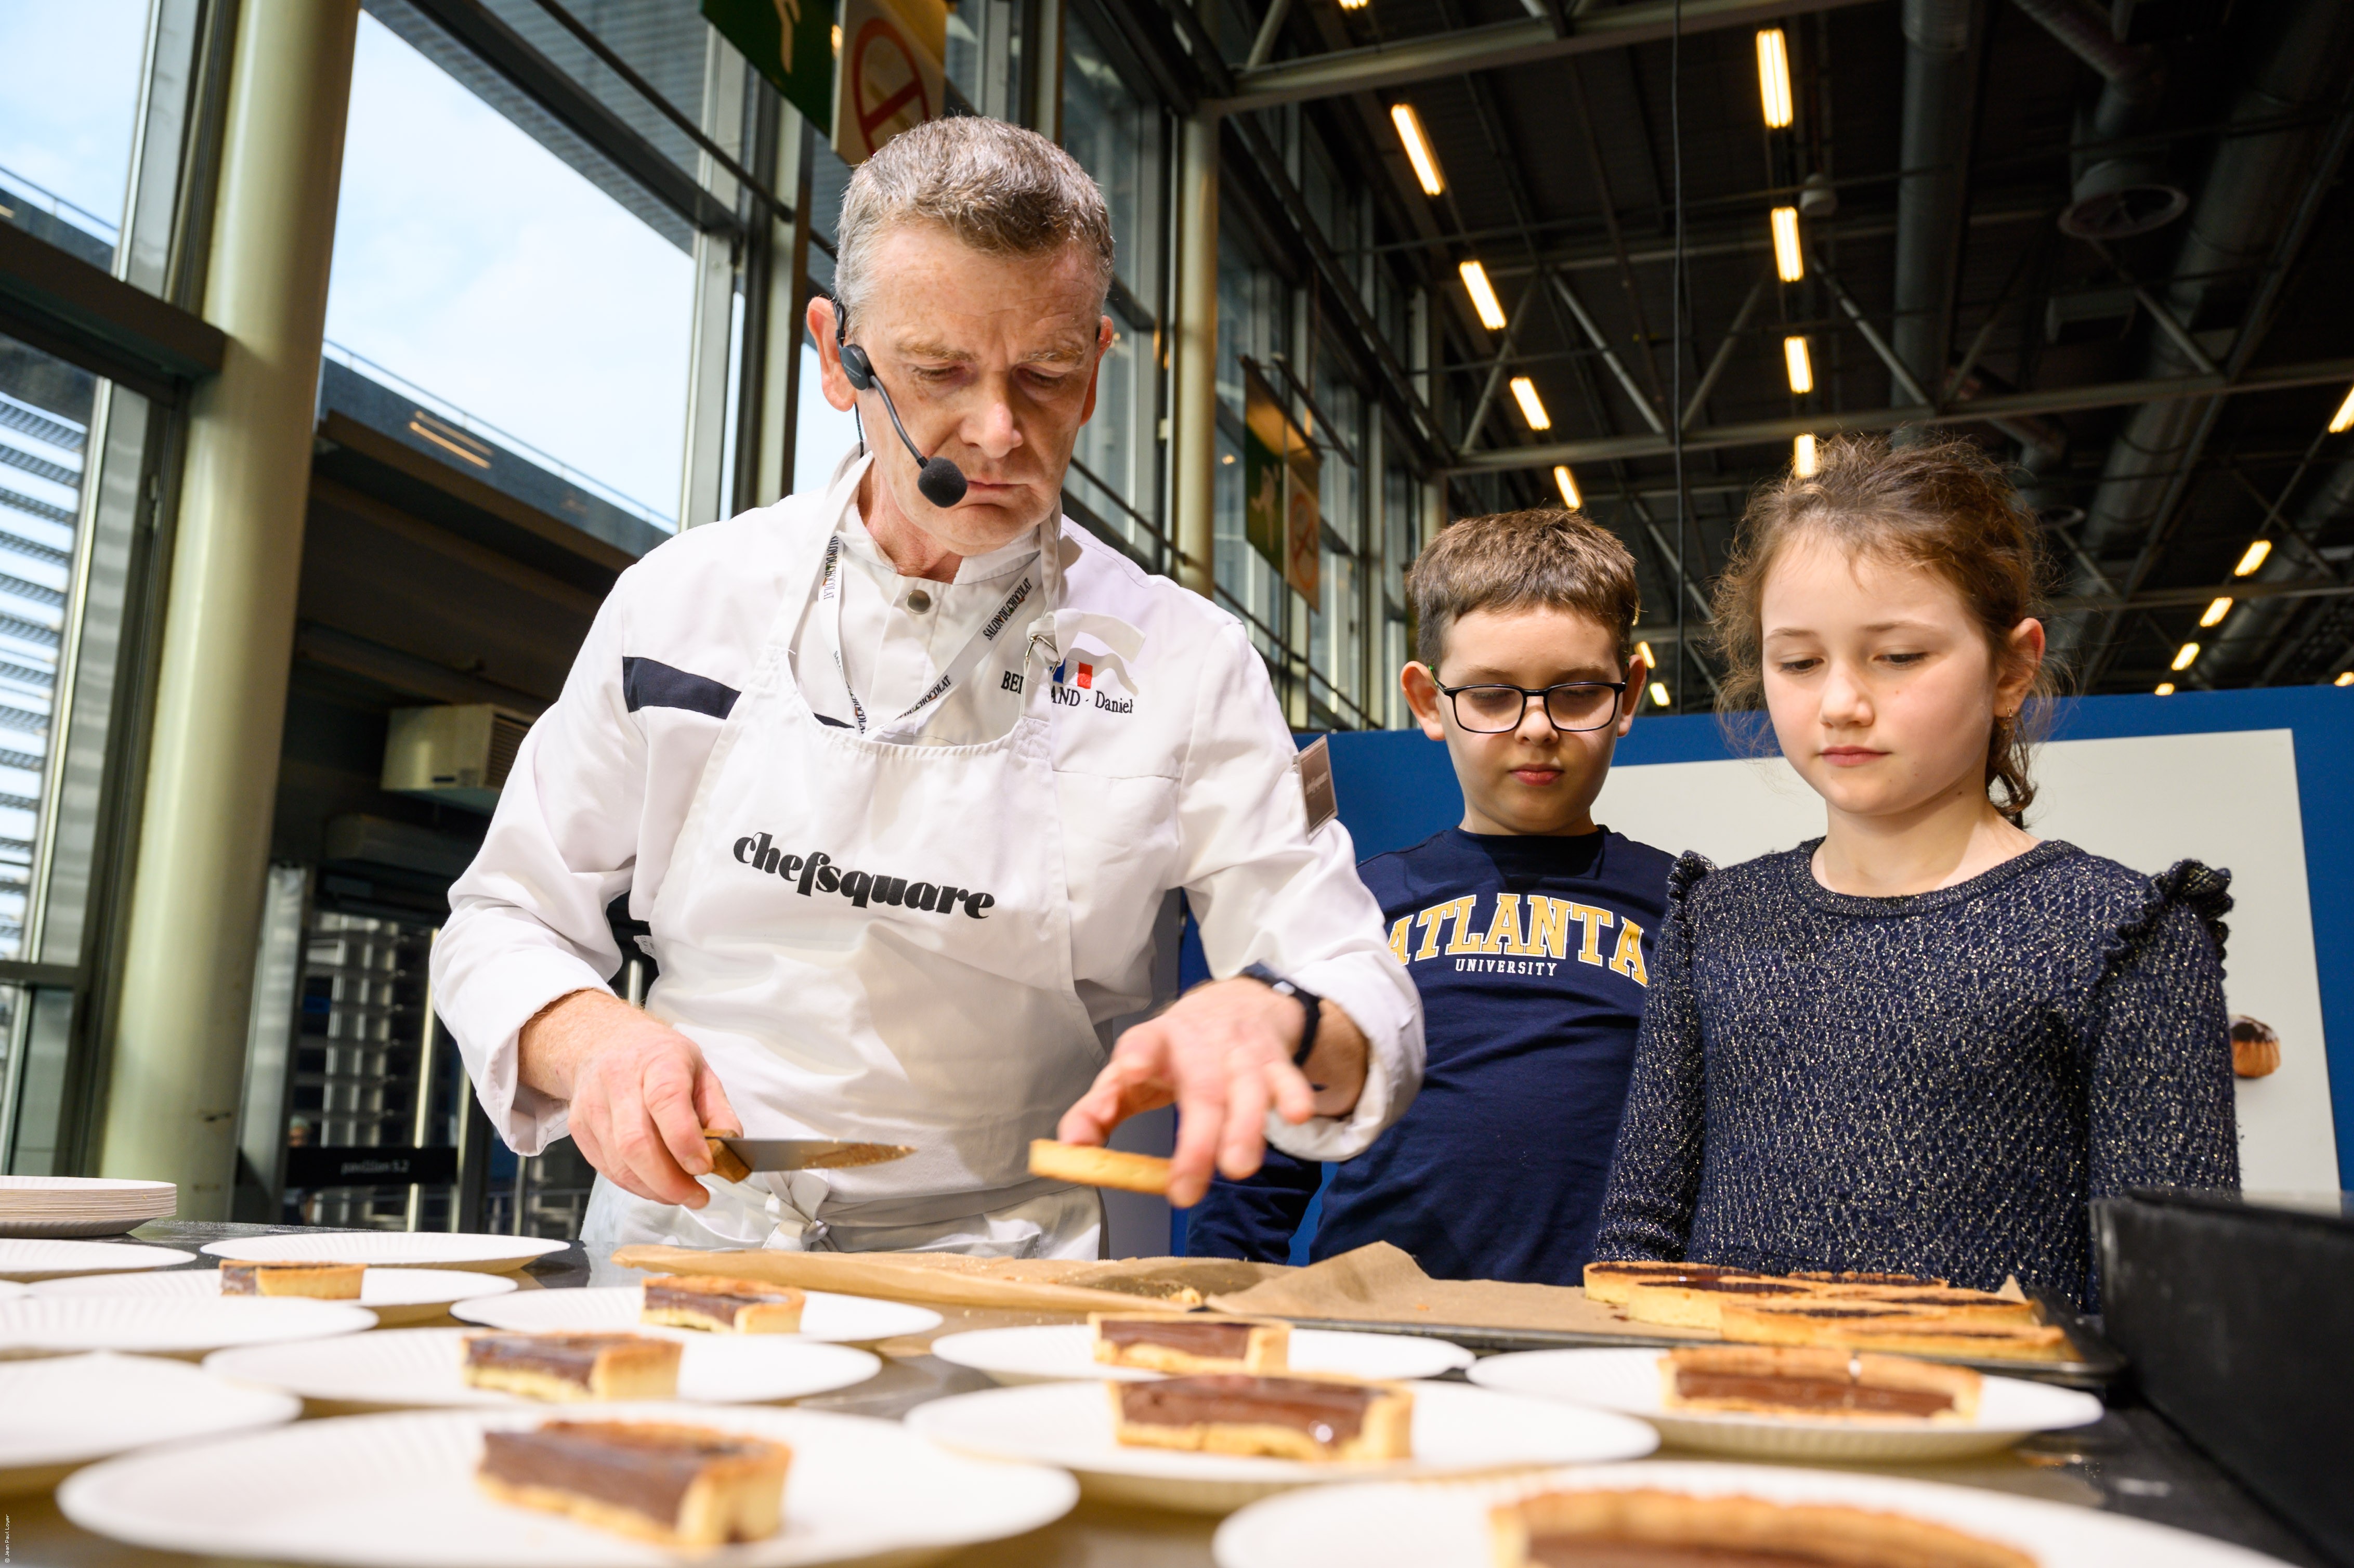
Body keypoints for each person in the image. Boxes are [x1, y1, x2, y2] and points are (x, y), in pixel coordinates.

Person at [429, 117, 1422, 1265]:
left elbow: (1358, 986)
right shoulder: (684, 604)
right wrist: (595, 1041)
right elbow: (504, 918)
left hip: (1016, 1277)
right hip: (692, 1251)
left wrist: (1278, 1013)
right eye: (941, 371)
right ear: (834, 351)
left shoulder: (1183, 663)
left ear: (1096, 363)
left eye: (1045, 374)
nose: (996, 432)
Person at [1592, 433, 2239, 1308]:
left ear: (2012, 668)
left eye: (1898, 657)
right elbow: (1640, 1238)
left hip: (2000, 1429)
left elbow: (2172, 1295)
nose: (1843, 703)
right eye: (1798, 662)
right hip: (1727, 1420)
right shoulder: (1719, 919)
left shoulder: (2118, 932)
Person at [1186, 511, 1675, 1284]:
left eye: (1577, 694)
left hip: (1600, 1339)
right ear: (1426, 700)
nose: (1537, 728)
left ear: (1629, 695)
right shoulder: (1353, 909)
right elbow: (1266, 1161)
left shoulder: (1689, 911)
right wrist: (1212, 1301)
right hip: (1378, 1330)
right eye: (1491, 696)